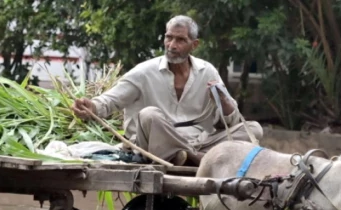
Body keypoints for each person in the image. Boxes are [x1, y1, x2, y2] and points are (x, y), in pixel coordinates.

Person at [71, 15, 263, 166]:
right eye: (169, 37)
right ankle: (196, 158)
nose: (172, 45)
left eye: (180, 40)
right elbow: (110, 100)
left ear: (194, 45)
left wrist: (224, 101)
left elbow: (231, 122)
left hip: (198, 142)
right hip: (154, 145)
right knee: (149, 115)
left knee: (254, 130)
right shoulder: (144, 72)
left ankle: (185, 155)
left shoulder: (207, 71)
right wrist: (91, 106)